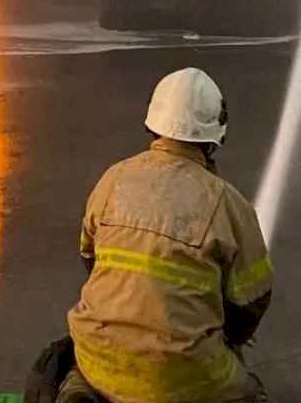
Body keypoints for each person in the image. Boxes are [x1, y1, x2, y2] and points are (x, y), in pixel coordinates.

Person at [62, 68, 274, 403]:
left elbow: (90, 259)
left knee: (71, 364)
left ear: (154, 121)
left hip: (100, 355)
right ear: (215, 132)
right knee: (250, 392)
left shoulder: (113, 179)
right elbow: (253, 301)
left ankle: (77, 391)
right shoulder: (228, 202)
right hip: (184, 375)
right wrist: (226, 336)